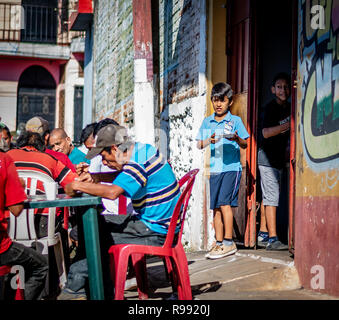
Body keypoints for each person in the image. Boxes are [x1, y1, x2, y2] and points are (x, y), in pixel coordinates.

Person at [65, 123, 181, 247]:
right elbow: (127, 178)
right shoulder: (143, 150)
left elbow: (112, 192)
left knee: (91, 235)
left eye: (104, 157)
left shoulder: (136, 163)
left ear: (115, 149)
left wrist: (77, 186)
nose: (104, 163)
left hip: (156, 232)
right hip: (161, 224)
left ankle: (89, 266)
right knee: (92, 225)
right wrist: (96, 177)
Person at [196, 82, 249, 259]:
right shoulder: (207, 121)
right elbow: (199, 144)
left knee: (225, 203)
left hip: (231, 169)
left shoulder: (235, 121)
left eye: (222, 101)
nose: (218, 104)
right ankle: (218, 244)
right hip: (215, 171)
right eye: (215, 100)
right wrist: (208, 141)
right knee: (216, 208)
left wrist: (236, 138)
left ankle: (228, 242)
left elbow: (245, 143)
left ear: (230, 102)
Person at [6, 131, 79, 238]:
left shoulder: (6, 157)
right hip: (42, 225)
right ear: (42, 147)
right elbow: (74, 183)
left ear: (19, 145)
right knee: (62, 230)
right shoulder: (50, 160)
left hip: (7, 223)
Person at [0, 148, 48, 300]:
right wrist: (18, 185)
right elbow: (16, 209)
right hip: (2, 247)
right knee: (41, 266)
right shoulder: (3, 160)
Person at [257, 72, 291, 250]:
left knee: (268, 196)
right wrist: (289, 125)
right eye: (279, 87)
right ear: (272, 89)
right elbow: (265, 133)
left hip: (278, 159)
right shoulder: (270, 108)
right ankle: (272, 239)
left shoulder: (289, 108)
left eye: (286, 87)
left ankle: (262, 233)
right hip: (267, 159)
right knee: (272, 197)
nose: (283, 90)